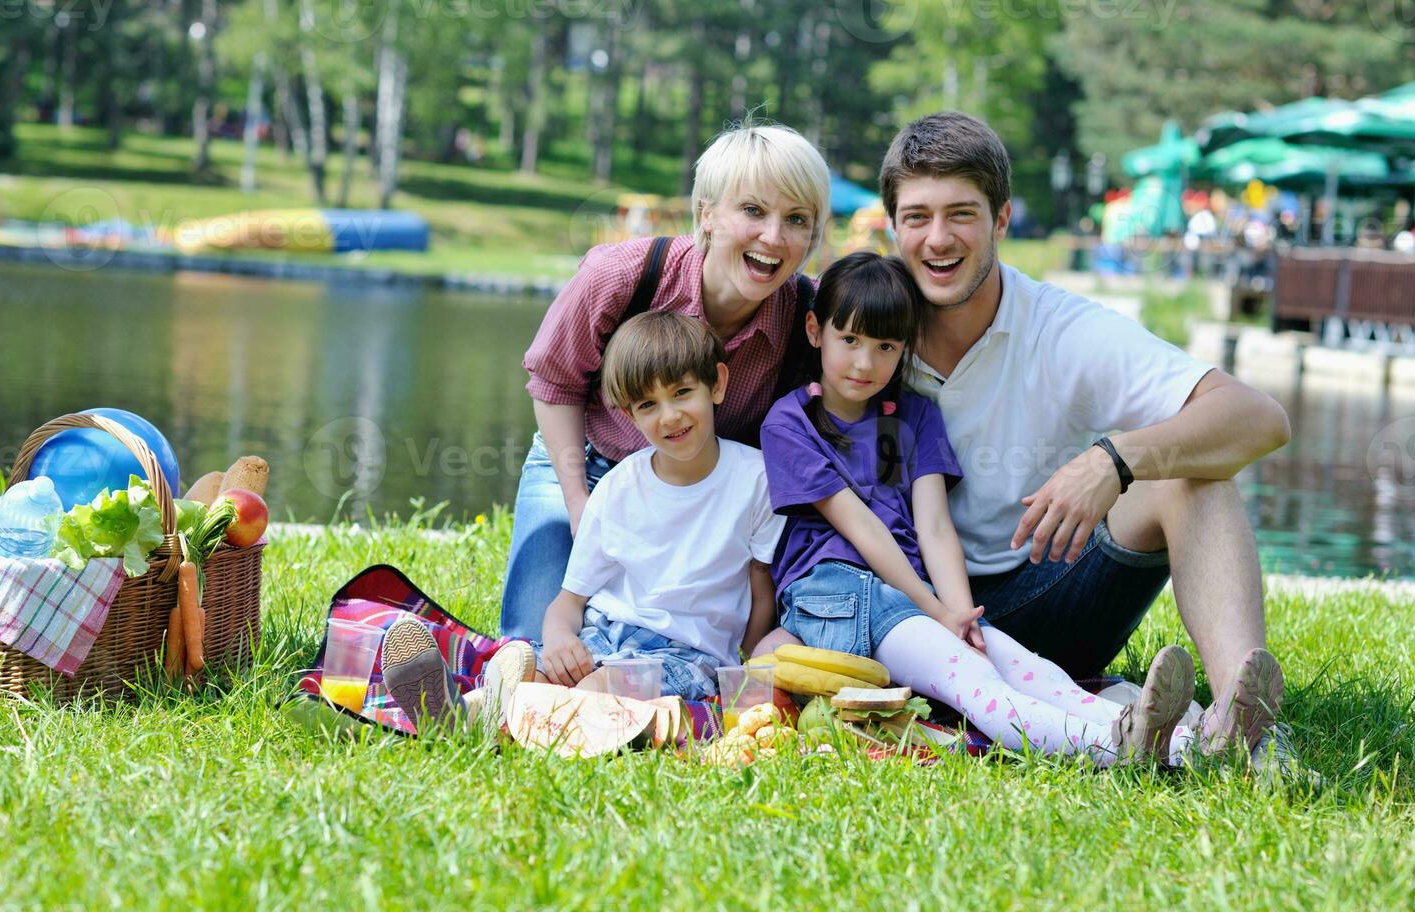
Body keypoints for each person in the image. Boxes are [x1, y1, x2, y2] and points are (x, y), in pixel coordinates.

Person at [879, 112, 1289, 757]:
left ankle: (1247, 726)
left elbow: (1258, 417)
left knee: (1191, 477)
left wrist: (1114, 460)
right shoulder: (857, 324)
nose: (937, 238)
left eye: (961, 213)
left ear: (1002, 220)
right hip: (903, 615)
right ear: (891, 225)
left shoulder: (1063, 329)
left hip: (1047, 598)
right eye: (916, 217)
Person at [760, 251, 1195, 765]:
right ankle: (1116, 749)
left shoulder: (915, 416)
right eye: (849, 340)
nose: (864, 362)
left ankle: (1189, 742)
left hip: (911, 595)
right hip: (838, 593)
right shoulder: (790, 422)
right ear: (815, 331)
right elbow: (862, 528)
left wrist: (962, 615)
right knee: (976, 682)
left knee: (1030, 668)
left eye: (885, 346)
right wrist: (936, 609)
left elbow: (936, 528)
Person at [501, 122, 830, 642]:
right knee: (535, 641)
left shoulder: (806, 318)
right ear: (707, 213)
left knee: (674, 647)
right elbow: (555, 382)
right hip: (589, 463)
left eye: (796, 219)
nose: (773, 237)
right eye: (752, 210)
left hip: (701, 490)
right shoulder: (623, 273)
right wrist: (579, 506)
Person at [386, 311, 784, 725]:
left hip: (686, 655)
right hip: (602, 635)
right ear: (630, 416)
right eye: (648, 404)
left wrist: (748, 668)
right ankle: (459, 713)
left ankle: (500, 722)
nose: (669, 416)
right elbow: (569, 601)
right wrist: (559, 639)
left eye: (683, 392)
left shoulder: (756, 480)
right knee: (532, 671)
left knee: (600, 690)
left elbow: (760, 590)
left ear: (717, 384)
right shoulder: (618, 488)